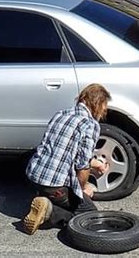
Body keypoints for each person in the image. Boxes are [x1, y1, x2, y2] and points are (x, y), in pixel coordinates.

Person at [23, 83, 111, 235]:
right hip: (55, 186)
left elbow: (66, 152)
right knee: (89, 215)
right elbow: (82, 166)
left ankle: (44, 198)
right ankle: (50, 212)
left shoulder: (61, 114)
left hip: (33, 176)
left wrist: (96, 163)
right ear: (98, 104)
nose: (104, 111)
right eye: (104, 106)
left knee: (63, 195)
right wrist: (83, 189)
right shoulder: (90, 124)